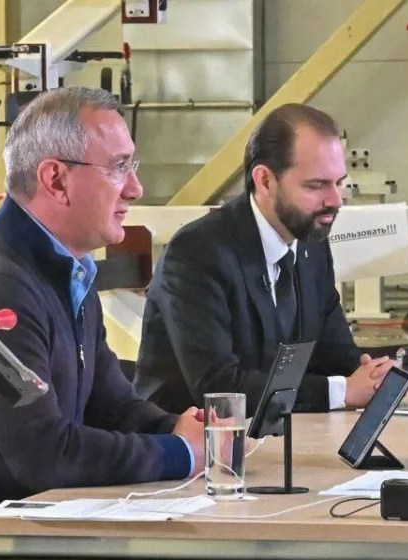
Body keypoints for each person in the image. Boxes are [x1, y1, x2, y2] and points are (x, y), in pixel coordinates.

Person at [0, 87, 205, 534]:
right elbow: (44, 453)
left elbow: (111, 405)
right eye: (118, 167)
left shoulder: (67, 269)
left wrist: (188, 430)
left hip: (21, 527)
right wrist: (180, 453)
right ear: (56, 180)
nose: (135, 188)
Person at [133, 103, 393, 415]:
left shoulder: (310, 245)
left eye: (339, 183)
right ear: (265, 180)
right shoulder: (196, 253)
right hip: (195, 439)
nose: (335, 200)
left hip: (281, 434)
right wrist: (342, 391)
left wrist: (372, 376)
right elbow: (219, 387)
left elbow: (335, 357)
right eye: (316, 185)